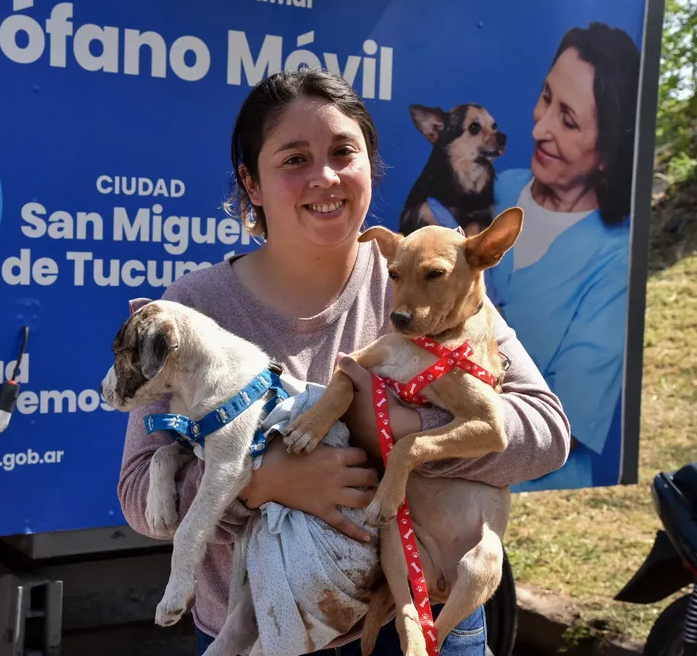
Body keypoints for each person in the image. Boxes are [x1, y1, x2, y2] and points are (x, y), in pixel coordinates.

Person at [117, 68, 571, 655]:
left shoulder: (427, 279)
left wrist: (394, 430)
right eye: (294, 159)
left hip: (423, 623)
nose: (325, 176)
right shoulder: (194, 308)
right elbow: (139, 494)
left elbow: (546, 434)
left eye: (342, 152)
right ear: (251, 184)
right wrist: (258, 481)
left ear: (368, 166)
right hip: (263, 631)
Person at [481, 23, 641, 491]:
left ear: (608, 155)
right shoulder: (496, 189)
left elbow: (561, 429)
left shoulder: (615, 263)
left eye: (568, 120)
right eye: (546, 96)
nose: (538, 127)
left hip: (521, 483)